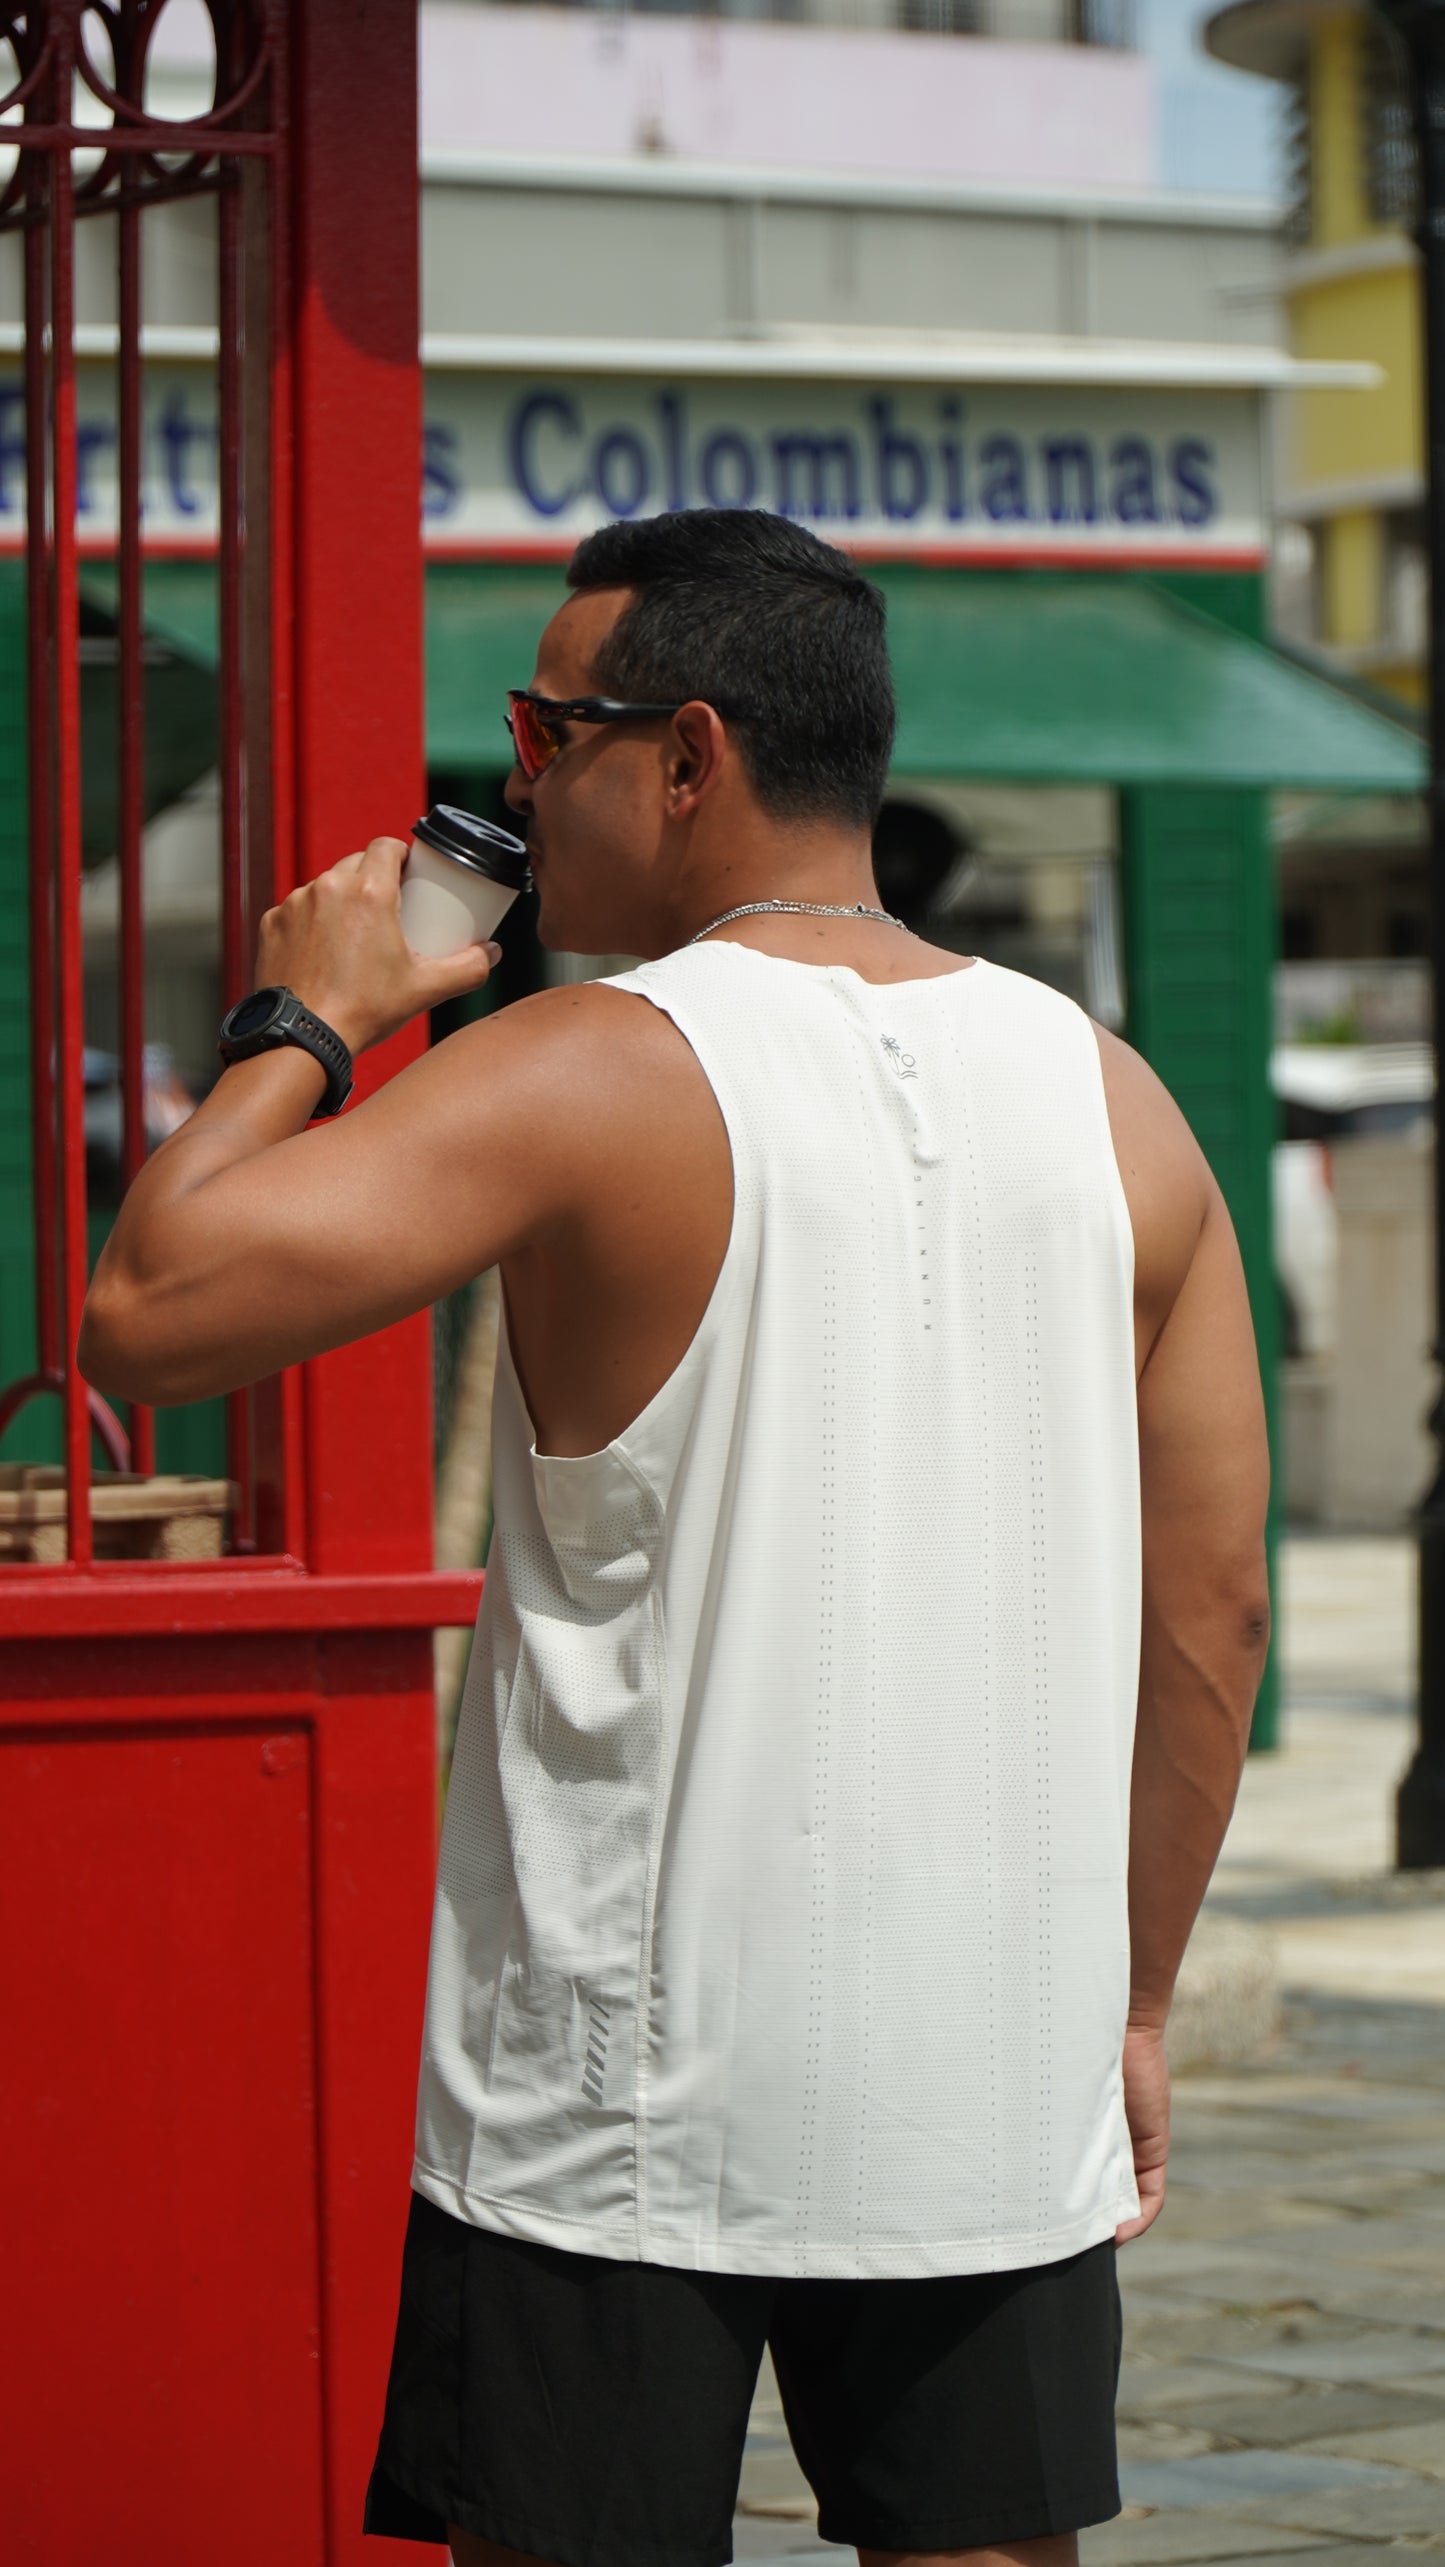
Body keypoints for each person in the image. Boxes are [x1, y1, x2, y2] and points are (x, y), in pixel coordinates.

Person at [80, 509, 1271, 2567]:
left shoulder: (593, 1070)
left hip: (617, 2092)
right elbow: (1217, 1608)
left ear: (692, 755)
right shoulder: (1118, 1101)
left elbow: (149, 1307)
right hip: (984, 2053)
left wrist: (311, 1009)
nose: (518, 783)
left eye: (551, 731)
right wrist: (1137, 2002)